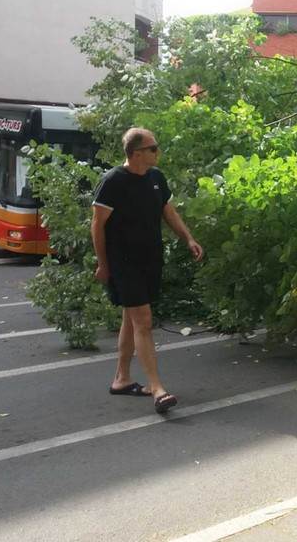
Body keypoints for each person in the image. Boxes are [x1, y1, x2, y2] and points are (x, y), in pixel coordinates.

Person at [91, 127, 204, 414]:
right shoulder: (113, 181)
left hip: (150, 259)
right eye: (154, 147)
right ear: (137, 152)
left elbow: (169, 212)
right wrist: (104, 264)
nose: (158, 152)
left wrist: (188, 238)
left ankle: (122, 379)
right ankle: (157, 389)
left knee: (131, 318)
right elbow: (97, 226)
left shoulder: (156, 178)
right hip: (123, 261)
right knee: (143, 320)